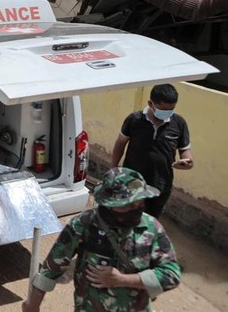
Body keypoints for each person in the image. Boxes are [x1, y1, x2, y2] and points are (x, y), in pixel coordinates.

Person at [22, 167, 181, 312]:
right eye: (128, 205)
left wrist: (123, 280)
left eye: (139, 203)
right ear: (109, 204)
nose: (136, 209)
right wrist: (33, 304)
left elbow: (171, 274)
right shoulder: (83, 224)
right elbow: (51, 269)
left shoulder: (151, 228)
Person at [111, 84, 193, 218]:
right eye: (163, 109)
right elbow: (120, 144)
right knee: (127, 218)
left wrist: (187, 162)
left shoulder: (179, 123)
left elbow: (185, 151)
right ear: (150, 103)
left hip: (160, 185)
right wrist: (113, 169)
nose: (167, 112)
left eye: (171, 109)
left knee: (150, 220)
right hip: (132, 182)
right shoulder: (134, 119)